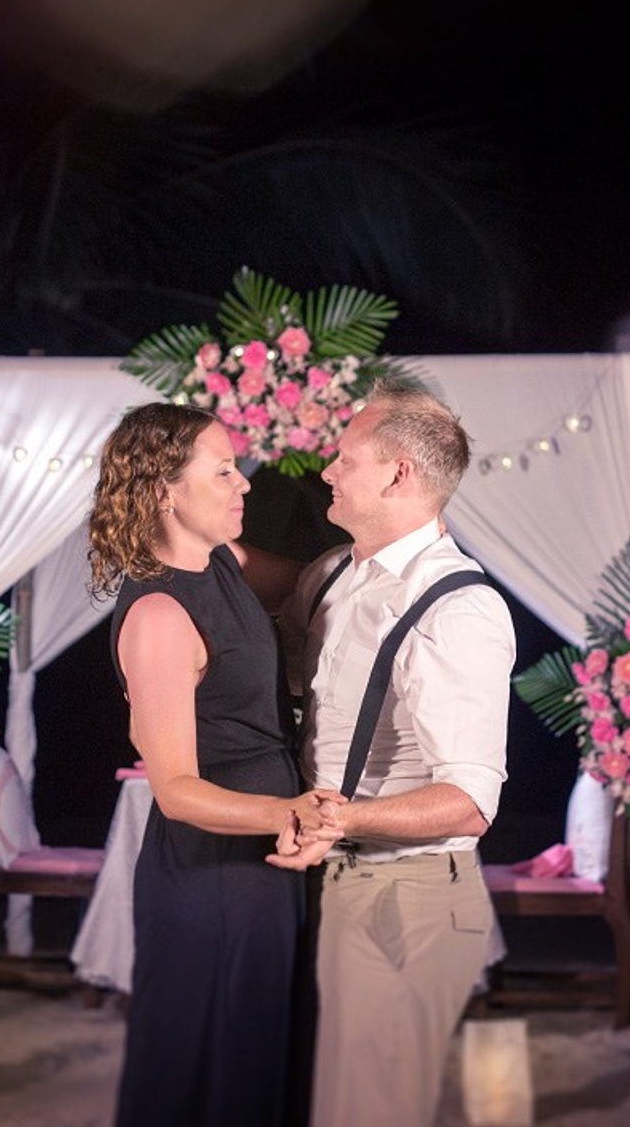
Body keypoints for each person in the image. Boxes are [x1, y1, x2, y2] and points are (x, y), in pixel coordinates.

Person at [87, 402, 342, 1127]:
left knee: (260, 1065)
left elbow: (313, 586)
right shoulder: (160, 617)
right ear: (166, 489)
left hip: (264, 867)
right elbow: (174, 791)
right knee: (210, 1073)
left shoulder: (226, 564)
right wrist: (289, 812)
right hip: (212, 874)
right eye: (224, 470)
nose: (245, 485)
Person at [270, 379, 516, 1127]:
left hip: (406, 895)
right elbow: (259, 592)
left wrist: (338, 821)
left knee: (371, 1109)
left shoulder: (459, 609)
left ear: (398, 474)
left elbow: (469, 803)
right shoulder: (336, 574)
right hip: (339, 883)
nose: (327, 473)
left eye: (344, 459)